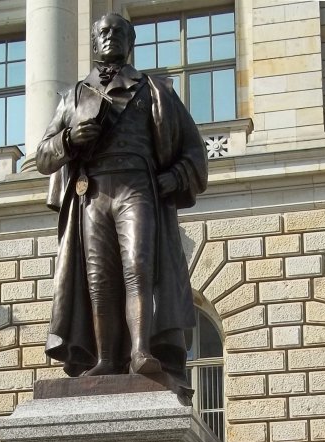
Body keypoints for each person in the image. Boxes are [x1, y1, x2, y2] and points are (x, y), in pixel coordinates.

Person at [36, 12, 208, 384]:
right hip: (91, 194)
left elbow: (195, 153)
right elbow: (42, 157)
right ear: (94, 42)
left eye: (119, 32)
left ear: (131, 44)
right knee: (99, 278)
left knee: (138, 267)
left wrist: (172, 179)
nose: (111, 36)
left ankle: (141, 350)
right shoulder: (74, 96)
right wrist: (69, 139)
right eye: (104, 32)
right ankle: (106, 358)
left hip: (137, 188)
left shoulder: (156, 89)